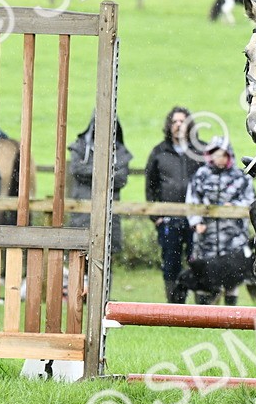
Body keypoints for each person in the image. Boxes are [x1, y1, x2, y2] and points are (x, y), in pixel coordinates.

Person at [182, 137, 255, 305]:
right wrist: (196, 222)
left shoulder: (241, 178)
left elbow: (250, 201)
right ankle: (204, 315)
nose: (220, 159)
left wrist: (234, 207)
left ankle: (230, 315)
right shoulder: (200, 176)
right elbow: (192, 201)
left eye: (223, 155)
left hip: (233, 239)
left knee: (232, 277)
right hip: (206, 239)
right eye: (216, 155)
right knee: (203, 276)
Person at [145, 106, 200, 303]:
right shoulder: (159, 152)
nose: (178, 126)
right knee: (171, 262)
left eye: (182, 122)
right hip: (168, 219)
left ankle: (202, 307)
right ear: (169, 126)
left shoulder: (200, 151)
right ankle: (174, 306)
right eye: (175, 122)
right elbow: (150, 186)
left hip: (196, 219)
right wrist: (155, 215)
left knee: (198, 260)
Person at [68, 112, 133, 256]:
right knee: (79, 256)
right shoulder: (80, 146)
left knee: (106, 259)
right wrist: (105, 173)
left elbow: (121, 178)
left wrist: (94, 174)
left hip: (109, 213)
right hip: (83, 211)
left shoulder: (120, 151)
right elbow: (77, 169)